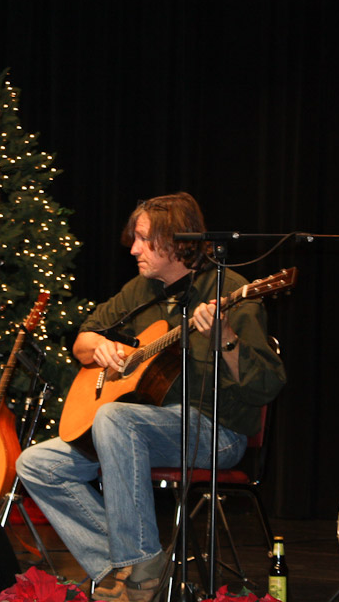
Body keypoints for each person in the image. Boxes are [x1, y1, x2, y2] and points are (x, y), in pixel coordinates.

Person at [16, 192, 286, 601]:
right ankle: (125, 565)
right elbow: (83, 339)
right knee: (37, 464)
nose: (134, 249)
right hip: (142, 428)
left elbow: (267, 385)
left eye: (143, 239)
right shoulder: (141, 289)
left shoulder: (231, 290)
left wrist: (225, 337)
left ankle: (139, 572)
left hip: (218, 431)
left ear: (177, 243)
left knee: (115, 418)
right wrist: (100, 347)